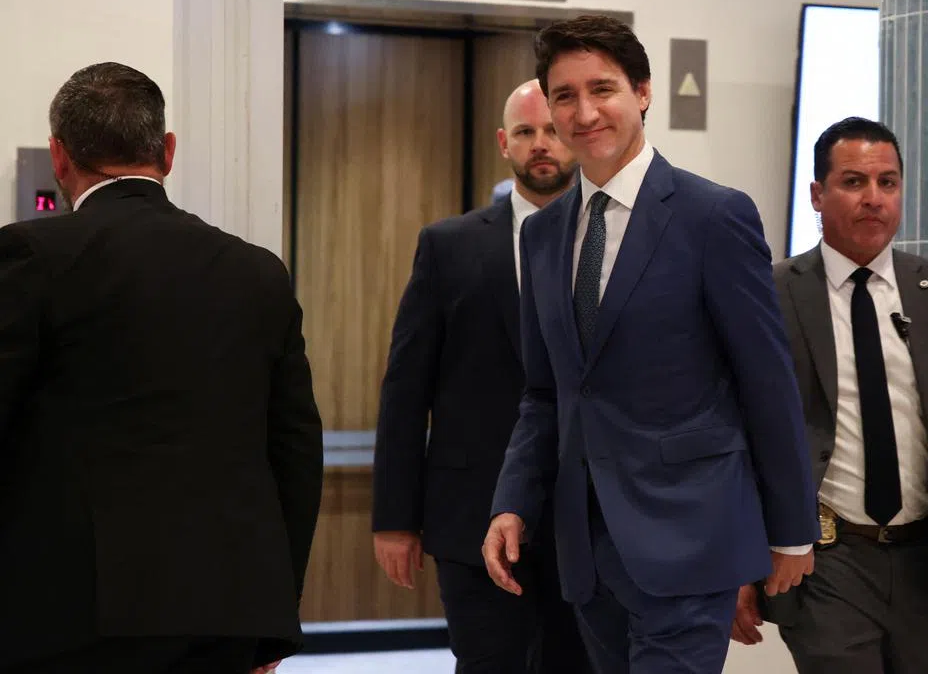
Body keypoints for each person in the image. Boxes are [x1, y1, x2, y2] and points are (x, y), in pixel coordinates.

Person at [482, 15, 819, 674]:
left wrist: (792, 527)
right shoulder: (543, 236)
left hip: (692, 538)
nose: (584, 112)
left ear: (642, 92)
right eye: (564, 95)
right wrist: (513, 500)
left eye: (601, 89)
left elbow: (767, 382)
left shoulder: (714, 217)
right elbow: (544, 393)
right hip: (586, 545)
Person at [0, 62, 324, 674]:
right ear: (167, 152)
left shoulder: (30, 258)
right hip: (228, 611)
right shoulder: (257, 272)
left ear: (59, 157)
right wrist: (274, 613)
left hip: (68, 617)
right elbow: (296, 451)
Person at [734, 116, 928, 673]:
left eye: (888, 183)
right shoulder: (771, 295)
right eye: (853, 182)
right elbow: (735, 434)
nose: (873, 198)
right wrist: (736, 565)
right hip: (825, 559)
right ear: (817, 195)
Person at [372, 79, 588, 673]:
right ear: (503, 143)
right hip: (470, 510)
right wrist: (395, 517)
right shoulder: (449, 246)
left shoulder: (611, 241)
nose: (540, 144)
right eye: (525, 132)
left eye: (551, 130)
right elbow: (405, 387)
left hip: (590, 516)